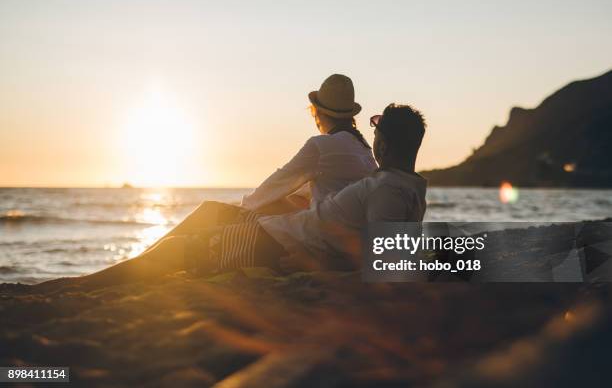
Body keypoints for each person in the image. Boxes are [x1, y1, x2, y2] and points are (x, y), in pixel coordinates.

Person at [58, 104, 426, 289]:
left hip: (276, 243)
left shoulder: (387, 191)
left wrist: (311, 267)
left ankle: (81, 286)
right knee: (184, 247)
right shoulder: (409, 189)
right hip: (284, 235)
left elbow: (388, 271)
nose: (372, 140)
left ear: (386, 144)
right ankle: (89, 283)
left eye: (378, 136)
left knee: (177, 251)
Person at [141, 73, 376, 247]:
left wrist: (242, 208)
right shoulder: (362, 149)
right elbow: (304, 192)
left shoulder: (322, 146)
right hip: (344, 238)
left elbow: (278, 182)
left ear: (319, 112)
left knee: (209, 211)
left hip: (321, 239)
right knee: (280, 203)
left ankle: (149, 255)